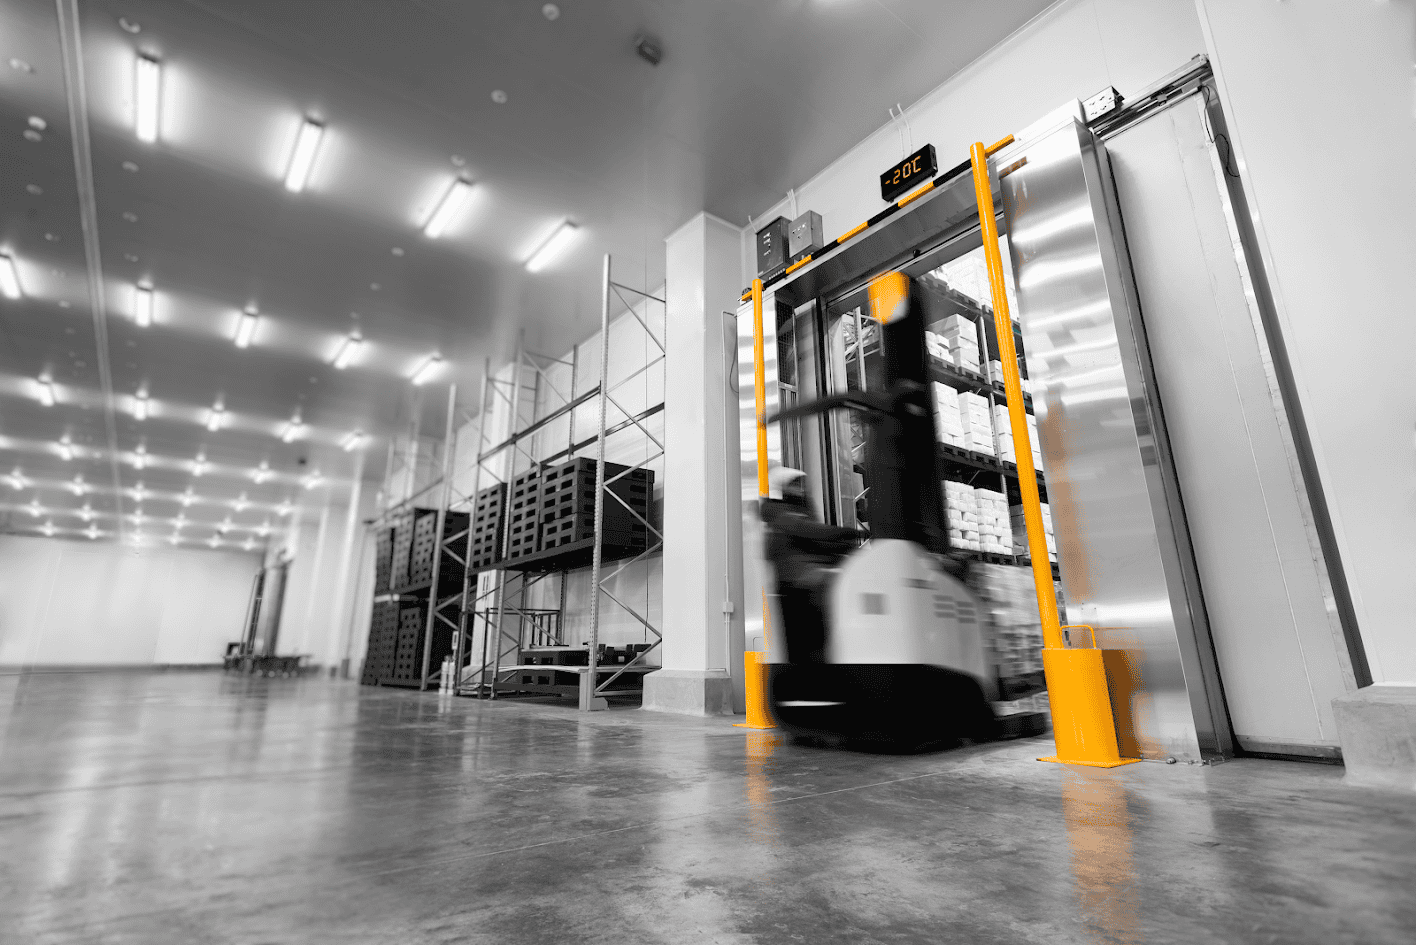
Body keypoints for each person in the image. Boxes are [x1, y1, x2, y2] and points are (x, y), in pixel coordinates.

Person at [761, 466, 862, 664]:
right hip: (793, 588)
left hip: (810, 586)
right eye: (793, 484)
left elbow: (818, 541)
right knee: (802, 646)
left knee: (819, 643)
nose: (799, 489)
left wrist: (846, 549)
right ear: (781, 487)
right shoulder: (776, 511)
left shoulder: (802, 509)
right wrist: (845, 534)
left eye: (801, 484)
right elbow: (807, 530)